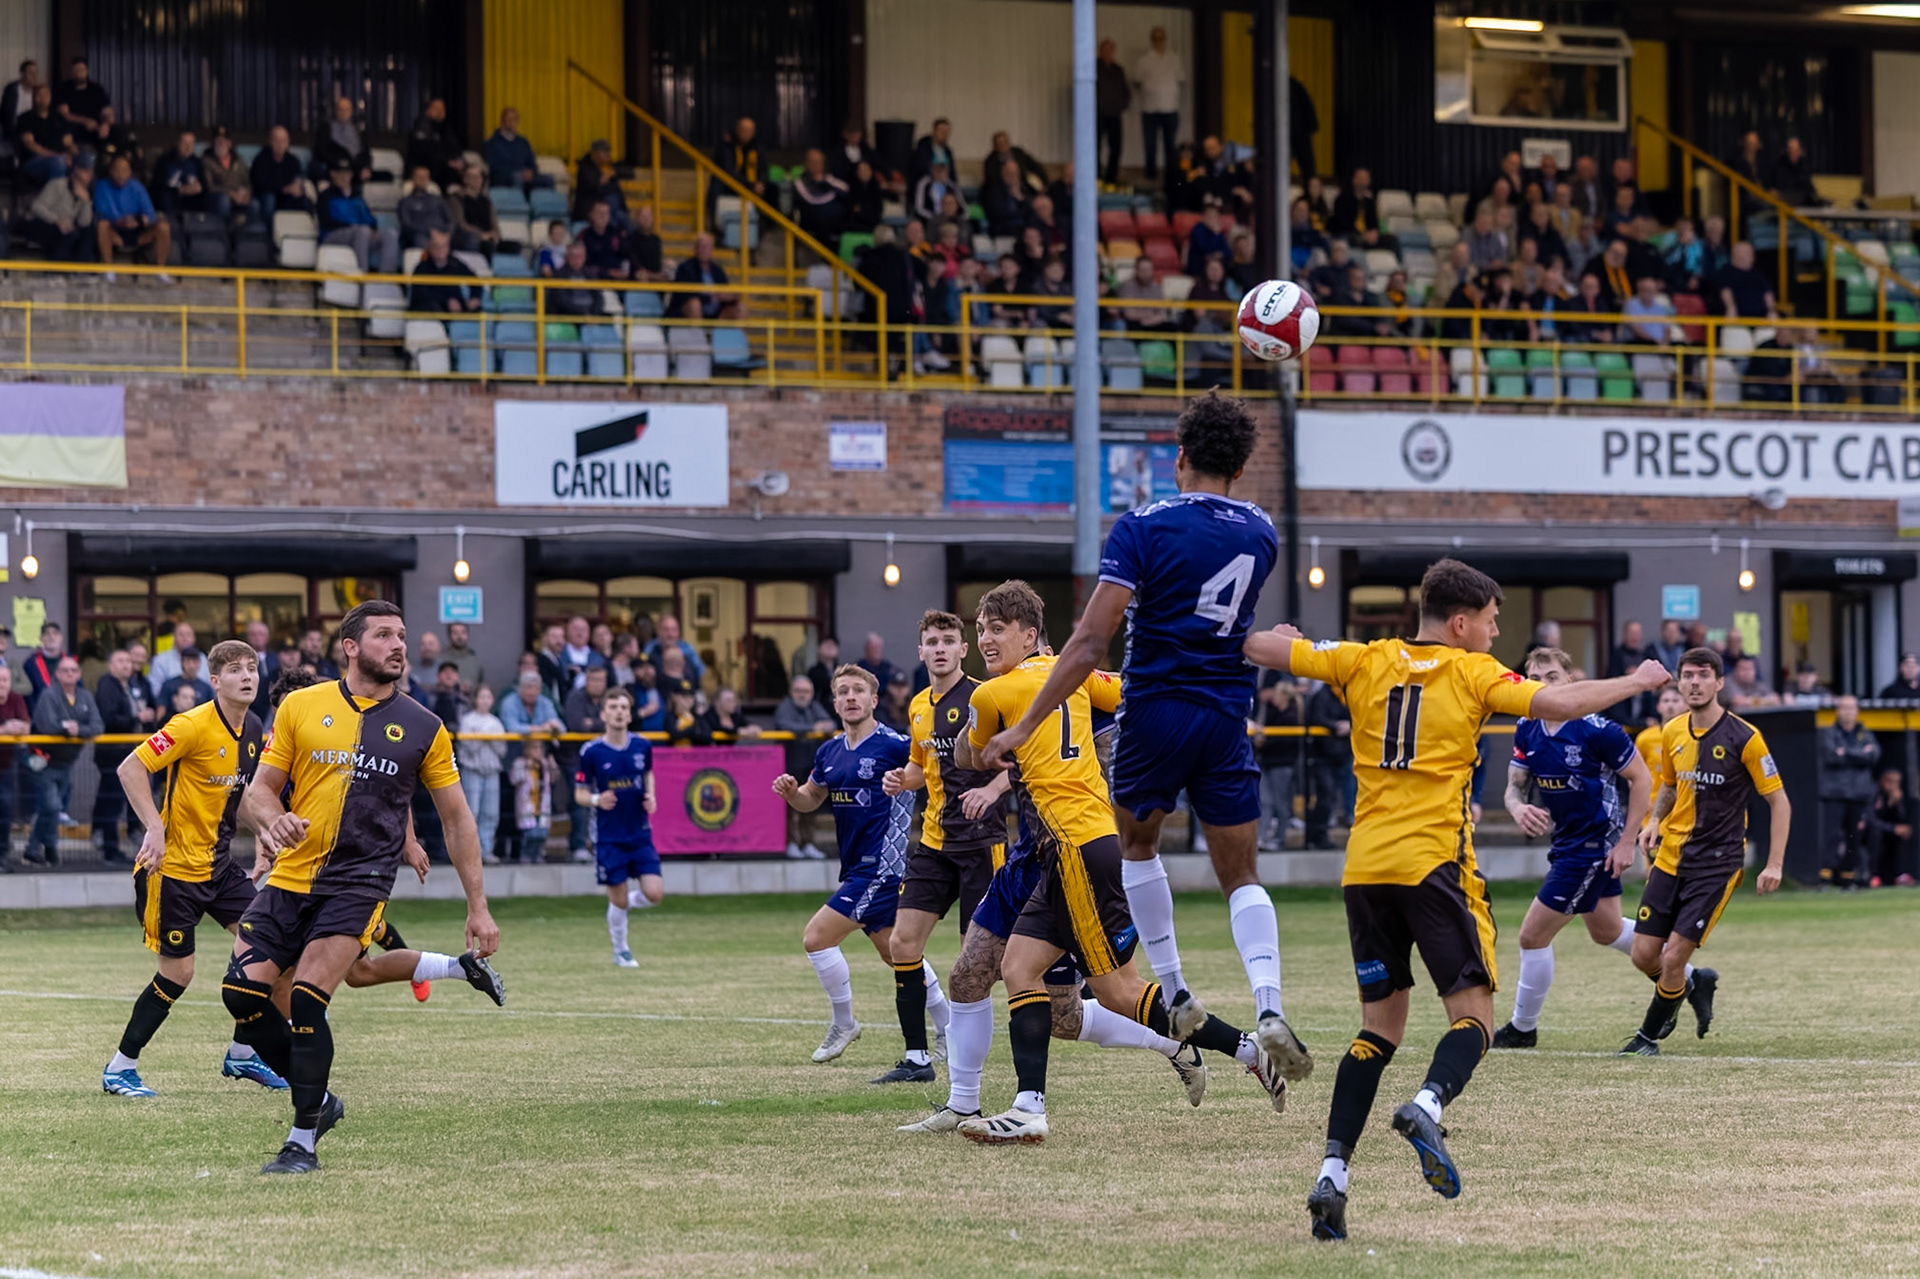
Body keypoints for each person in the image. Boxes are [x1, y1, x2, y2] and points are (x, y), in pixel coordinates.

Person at [1243, 558, 1671, 1239]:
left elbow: (1258, 645)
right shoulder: (1472, 672)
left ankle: (1332, 1175)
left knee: (1378, 1028)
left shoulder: (1363, 657)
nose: (1496, 636)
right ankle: (1427, 1104)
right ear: (1462, 622)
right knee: (1474, 1019)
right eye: (1494, 623)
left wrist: (1283, 636)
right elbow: (1559, 702)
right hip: (1436, 865)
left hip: (1365, 869)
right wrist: (1639, 679)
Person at [978, 391, 1307, 1078]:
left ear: (1179, 456)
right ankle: (1269, 1002)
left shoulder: (1142, 525)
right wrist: (1271, 644)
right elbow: (1219, 631)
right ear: (1242, 467)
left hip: (1154, 708)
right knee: (1240, 874)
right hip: (1223, 715)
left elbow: (1090, 641)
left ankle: (1178, 984)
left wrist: (1027, 724)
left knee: (1139, 845)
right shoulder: (1262, 532)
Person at [951, 582, 1273, 1144]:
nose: (985, 639)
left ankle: (1248, 1049)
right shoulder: (1076, 677)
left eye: (997, 629)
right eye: (981, 629)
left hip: (1077, 846)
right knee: (1018, 969)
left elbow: (974, 754)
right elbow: (1130, 692)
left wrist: (958, 739)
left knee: (1122, 990)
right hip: (1071, 848)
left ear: (1030, 635)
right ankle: (1028, 1108)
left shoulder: (990, 694)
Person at [226, 601, 500, 1174]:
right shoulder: (302, 705)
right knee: (243, 996)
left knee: (306, 998)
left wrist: (479, 907)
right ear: (350, 646)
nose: (398, 645)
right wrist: (270, 817)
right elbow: (259, 790)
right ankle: (320, 1100)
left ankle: (301, 1141)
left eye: (402, 635)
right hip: (291, 876)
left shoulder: (425, 726)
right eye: (383, 635)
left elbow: (457, 820)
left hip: (359, 883)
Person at [100, 642, 288, 1095]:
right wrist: (154, 829)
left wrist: (265, 830)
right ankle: (119, 1068)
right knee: (178, 974)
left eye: (252, 669)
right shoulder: (190, 725)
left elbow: (237, 797)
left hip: (220, 869)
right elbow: (130, 769)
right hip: (174, 873)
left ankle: (243, 1055)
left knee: (271, 949)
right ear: (214, 680)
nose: (247, 676)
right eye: (235, 670)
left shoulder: (255, 728)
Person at [1490, 647, 1662, 1048]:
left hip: (1593, 843)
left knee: (1532, 935)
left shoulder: (1597, 728)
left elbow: (1641, 781)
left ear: (1570, 682)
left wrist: (1625, 843)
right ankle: (1688, 976)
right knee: (1607, 931)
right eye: (1533, 678)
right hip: (1567, 841)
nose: (1540, 685)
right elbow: (1514, 785)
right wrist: (1517, 808)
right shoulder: (1527, 726)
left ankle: (1522, 1028)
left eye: (1550, 677)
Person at [1625, 647, 1789, 1056]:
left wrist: (1774, 864)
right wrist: (1655, 822)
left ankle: (1646, 1039)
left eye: (1703, 675)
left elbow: (1779, 801)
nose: (1694, 682)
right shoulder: (1672, 731)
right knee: (1644, 954)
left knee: (1676, 954)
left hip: (1717, 864)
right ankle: (1692, 987)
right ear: (1678, 683)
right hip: (1670, 856)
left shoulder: (1746, 737)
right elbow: (1667, 784)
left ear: (1719, 683)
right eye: (1687, 675)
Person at [875, 612, 1008, 1083]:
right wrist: (900, 779)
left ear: (962, 649)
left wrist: (991, 791)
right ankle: (917, 1059)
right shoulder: (916, 706)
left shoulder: (982, 696)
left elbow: (1022, 757)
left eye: (948, 641)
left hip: (980, 845)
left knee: (979, 962)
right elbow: (918, 768)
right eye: (931, 642)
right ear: (920, 651)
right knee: (902, 942)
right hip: (933, 843)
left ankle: (1068, 977)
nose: (939, 649)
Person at [772, 666, 925, 1069]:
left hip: (882, 867)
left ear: (874, 700)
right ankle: (946, 1026)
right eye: (843, 692)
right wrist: (792, 794)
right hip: (856, 867)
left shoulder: (895, 744)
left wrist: (909, 781)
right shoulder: (829, 752)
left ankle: (845, 1024)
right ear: (835, 703)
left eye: (859, 690)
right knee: (899, 955)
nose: (851, 697)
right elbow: (810, 798)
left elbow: (926, 772)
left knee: (816, 938)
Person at [575, 686, 660, 967]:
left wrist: (651, 796)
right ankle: (621, 950)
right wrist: (598, 799)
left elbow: (647, 774)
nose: (619, 712)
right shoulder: (592, 751)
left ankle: (620, 905)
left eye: (624, 707)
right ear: (603, 714)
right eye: (613, 707)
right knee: (618, 897)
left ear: (630, 713)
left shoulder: (642, 746)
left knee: (654, 894)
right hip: (609, 836)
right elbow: (580, 793)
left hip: (639, 833)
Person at [26, 654, 104, 866]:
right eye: (65, 670)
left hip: (68, 763)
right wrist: (65, 728)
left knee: (50, 808)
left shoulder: (85, 696)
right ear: (57, 674)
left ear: (79, 674)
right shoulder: (49, 695)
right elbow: (47, 725)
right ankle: (49, 848)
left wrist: (78, 729)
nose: (70, 673)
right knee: (51, 807)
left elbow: (98, 726)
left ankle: (33, 849)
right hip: (44, 760)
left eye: (73, 670)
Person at [93, 647, 154, 862]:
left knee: (116, 799)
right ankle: (110, 848)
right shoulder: (107, 685)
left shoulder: (135, 685)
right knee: (112, 801)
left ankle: (109, 838)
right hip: (113, 752)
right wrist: (136, 717)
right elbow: (108, 717)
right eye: (120, 661)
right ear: (110, 665)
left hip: (132, 750)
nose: (126, 665)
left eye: (128, 661)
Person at [1818, 695, 1880, 890]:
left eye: (1851, 708)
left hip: (1859, 794)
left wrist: (1846, 752)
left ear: (1857, 711)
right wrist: (1860, 754)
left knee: (1854, 837)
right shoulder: (1828, 733)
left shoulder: (1866, 734)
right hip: (1835, 793)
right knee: (1832, 836)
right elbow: (1831, 756)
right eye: (1844, 708)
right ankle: (1825, 878)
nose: (1848, 712)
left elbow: (1874, 755)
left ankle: (1848, 878)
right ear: (1838, 711)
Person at [774, 675, 835, 860]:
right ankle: (791, 843)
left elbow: (830, 723)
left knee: (810, 805)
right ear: (792, 692)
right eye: (799, 691)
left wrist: (821, 726)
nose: (803, 695)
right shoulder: (784, 707)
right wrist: (812, 728)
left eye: (806, 691)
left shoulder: (814, 706)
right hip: (788, 764)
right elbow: (784, 724)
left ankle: (808, 843)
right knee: (789, 807)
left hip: (810, 764)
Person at [317, 161, 398, 274]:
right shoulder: (326, 195)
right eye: (340, 173)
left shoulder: (356, 196)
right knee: (362, 231)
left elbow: (370, 220)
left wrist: (372, 229)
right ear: (333, 174)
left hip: (359, 233)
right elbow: (326, 222)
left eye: (347, 173)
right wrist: (352, 226)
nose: (344, 177)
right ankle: (362, 275)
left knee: (390, 234)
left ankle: (386, 278)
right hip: (333, 234)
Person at [94, 152, 172, 269]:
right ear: (110, 171)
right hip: (115, 230)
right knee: (102, 225)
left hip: (137, 231)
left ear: (130, 172)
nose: (121, 175)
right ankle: (108, 269)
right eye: (117, 170)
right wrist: (120, 221)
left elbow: (150, 212)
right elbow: (101, 210)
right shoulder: (101, 186)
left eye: (125, 170)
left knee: (163, 227)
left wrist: (143, 220)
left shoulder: (137, 187)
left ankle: (160, 269)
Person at [458, 685, 507, 864]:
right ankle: (468, 852)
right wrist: (483, 737)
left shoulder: (496, 722)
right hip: (473, 770)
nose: (485, 701)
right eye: (482, 697)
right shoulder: (468, 720)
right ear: (476, 700)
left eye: (488, 697)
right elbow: (468, 748)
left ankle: (487, 851)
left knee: (490, 813)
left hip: (492, 771)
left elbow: (501, 750)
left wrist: (486, 737)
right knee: (472, 812)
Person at [1257, 671, 1302, 851]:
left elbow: (1283, 743)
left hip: (1282, 764)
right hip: (1267, 762)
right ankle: (1262, 837)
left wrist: (1264, 741)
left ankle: (1280, 839)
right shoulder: (1271, 712)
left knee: (1281, 803)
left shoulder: (1291, 716)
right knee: (1265, 801)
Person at [1133, 26, 1183, 182]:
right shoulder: (1143, 60)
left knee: (1170, 146)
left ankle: (1171, 180)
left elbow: (1181, 79)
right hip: (1150, 109)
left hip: (1170, 108)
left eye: (1161, 38)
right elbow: (1137, 81)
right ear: (1151, 40)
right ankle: (1151, 178)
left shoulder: (1175, 59)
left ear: (1165, 39)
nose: (1159, 41)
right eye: (1156, 38)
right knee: (1150, 146)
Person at [23, 155, 96, 261]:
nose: (88, 175)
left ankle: (83, 268)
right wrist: (56, 220)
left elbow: (84, 223)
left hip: (65, 227)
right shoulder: (58, 184)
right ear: (75, 171)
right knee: (66, 231)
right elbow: (36, 206)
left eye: (90, 171)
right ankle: (54, 271)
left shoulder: (86, 193)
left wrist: (86, 203)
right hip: (41, 223)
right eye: (85, 171)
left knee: (87, 230)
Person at [1865, 768, 1918, 887]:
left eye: (1896, 782)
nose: (1893, 785)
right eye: (1890, 782)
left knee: (1905, 831)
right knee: (1875, 834)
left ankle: (1899, 873)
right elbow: (1870, 819)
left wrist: (1897, 803)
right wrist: (1892, 828)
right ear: (1883, 781)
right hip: (1871, 831)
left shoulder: (1896, 795)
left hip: (1888, 831)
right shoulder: (1873, 792)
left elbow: (1901, 818)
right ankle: (1873, 874)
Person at [408, 227, 481, 314]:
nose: (440, 250)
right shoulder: (421, 268)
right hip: (430, 313)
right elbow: (423, 295)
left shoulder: (455, 264)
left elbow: (475, 281)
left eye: (444, 246)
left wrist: (474, 297)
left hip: (454, 311)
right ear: (430, 246)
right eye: (436, 246)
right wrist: (446, 301)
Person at [671, 232, 741, 321]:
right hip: (691, 309)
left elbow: (725, 289)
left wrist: (731, 296)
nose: (704, 250)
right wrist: (711, 297)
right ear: (696, 249)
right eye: (702, 246)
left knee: (741, 308)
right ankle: (699, 334)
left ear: (712, 249)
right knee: (695, 304)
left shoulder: (717, 270)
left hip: (716, 311)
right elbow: (685, 295)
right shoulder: (685, 268)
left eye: (707, 247)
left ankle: (721, 334)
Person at [510, 735, 554, 864]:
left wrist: (552, 766)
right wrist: (526, 768)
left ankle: (538, 854)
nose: (538, 751)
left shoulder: (545, 764)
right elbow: (514, 779)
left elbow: (553, 779)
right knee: (529, 834)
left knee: (541, 833)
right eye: (534, 747)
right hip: (527, 805)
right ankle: (526, 855)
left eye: (540, 748)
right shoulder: (520, 763)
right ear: (526, 749)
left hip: (542, 805)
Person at [482, 107, 548, 193]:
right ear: (502, 121)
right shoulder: (493, 143)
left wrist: (531, 171)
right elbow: (494, 166)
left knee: (548, 180)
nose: (512, 122)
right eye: (509, 119)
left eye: (514, 119)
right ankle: (519, 206)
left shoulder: (523, 142)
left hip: (526, 177)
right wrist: (518, 173)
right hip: (505, 178)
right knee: (517, 178)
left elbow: (532, 162)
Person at [405, 97, 464, 190]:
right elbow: (424, 152)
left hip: (444, 173)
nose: (440, 112)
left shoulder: (445, 128)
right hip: (425, 172)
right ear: (428, 110)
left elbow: (455, 147)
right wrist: (447, 162)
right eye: (436, 109)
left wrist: (456, 160)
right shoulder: (421, 127)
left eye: (442, 109)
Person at [312, 96, 372, 185]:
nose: (344, 112)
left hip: (355, 171)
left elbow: (366, 153)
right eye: (341, 109)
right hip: (334, 168)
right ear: (336, 110)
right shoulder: (325, 129)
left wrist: (366, 167)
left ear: (351, 112)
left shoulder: (358, 131)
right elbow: (321, 152)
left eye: (347, 110)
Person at [1095, 38, 1130, 184]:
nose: (1108, 53)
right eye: (1105, 50)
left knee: (1116, 147)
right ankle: (1096, 176)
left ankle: (1111, 178)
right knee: (1094, 147)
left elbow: (1125, 92)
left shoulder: (1118, 70)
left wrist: (1121, 105)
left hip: (1114, 114)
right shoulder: (1094, 68)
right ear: (1100, 51)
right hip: (1097, 115)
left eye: (1110, 50)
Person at [397, 164, 455, 249]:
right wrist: (431, 232)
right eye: (419, 177)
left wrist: (447, 234)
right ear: (413, 179)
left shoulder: (438, 200)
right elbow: (407, 225)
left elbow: (450, 220)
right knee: (420, 240)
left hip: (442, 235)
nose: (423, 180)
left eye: (425, 177)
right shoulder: (405, 202)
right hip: (421, 236)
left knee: (463, 240)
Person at [54, 56, 109, 133]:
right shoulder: (64, 88)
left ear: (87, 71)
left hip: (96, 129)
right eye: (76, 70)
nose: (79, 73)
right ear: (71, 72)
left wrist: (106, 124)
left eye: (81, 70)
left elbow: (107, 111)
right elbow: (65, 114)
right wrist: (85, 121)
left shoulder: (97, 90)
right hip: (73, 128)